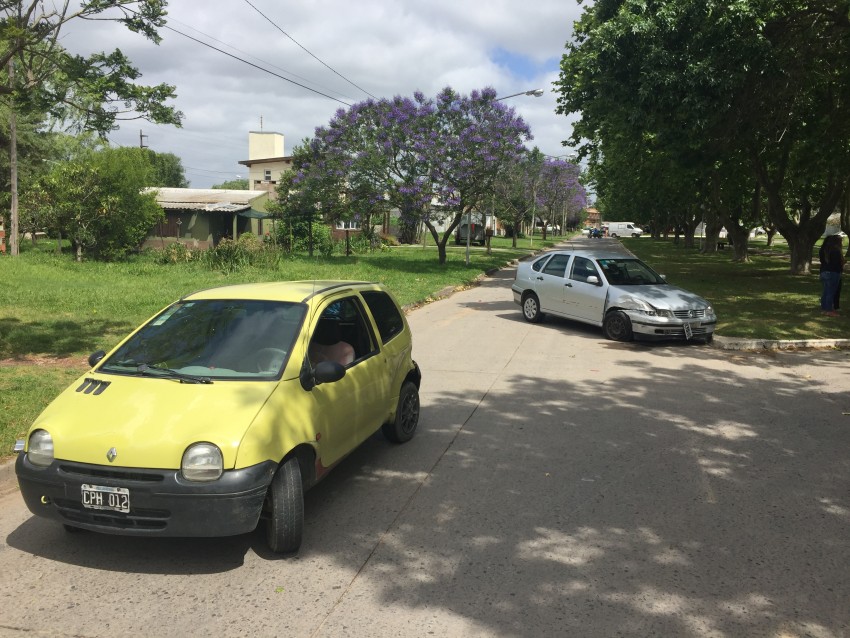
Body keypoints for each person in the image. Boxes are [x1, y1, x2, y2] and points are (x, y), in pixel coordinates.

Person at [818, 234, 845, 316]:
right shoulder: (836, 251)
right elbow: (837, 263)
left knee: (826, 291)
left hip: (824, 271)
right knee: (831, 292)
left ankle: (824, 308)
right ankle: (829, 310)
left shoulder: (825, 250)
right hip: (833, 272)